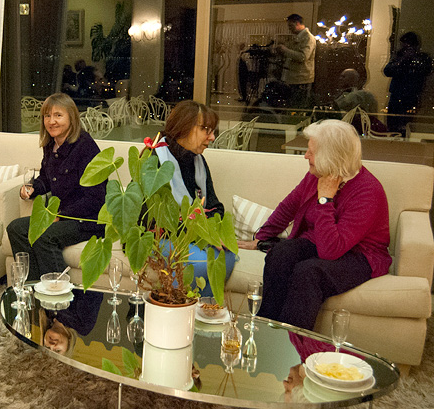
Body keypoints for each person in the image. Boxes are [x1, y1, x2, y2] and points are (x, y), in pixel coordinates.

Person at [238, 120, 391, 331]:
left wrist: (325, 199)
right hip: (320, 242)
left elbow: (331, 250)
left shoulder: (367, 192)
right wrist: (261, 238)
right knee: (280, 253)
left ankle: (292, 342)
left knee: (308, 272)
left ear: (331, 157)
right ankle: (265, 330)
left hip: (359, 255)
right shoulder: (317, 175)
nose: (305, 156)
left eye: (311, 152)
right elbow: (289, 206)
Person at [7, 92, 106, 280]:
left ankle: (58, 291)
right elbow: (46, 177)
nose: (51, 121)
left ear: (71, 117)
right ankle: (32, 286)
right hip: (60, 215)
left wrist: (60, 215)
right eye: (47, 116)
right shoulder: (50, 145)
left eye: (58, 115)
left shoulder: (85, 146)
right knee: (15, 228)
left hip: (86, 220)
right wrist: (33, 188)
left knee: (45, 236)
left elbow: (95, 198)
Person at [153, 100, 237, 297]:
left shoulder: (197, 160)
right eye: (206, 130)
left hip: (192, 234)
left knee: (227, 256)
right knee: (200, 263)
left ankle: (203, 311)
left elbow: (215, 206)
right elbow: (151, 219)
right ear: (185, 127)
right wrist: (202, 234)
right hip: (159, 236)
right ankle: (178, 307)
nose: (212, 137)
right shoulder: (155, 159)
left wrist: (213, 233)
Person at [383, 31, 433, 136]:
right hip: (396, 97)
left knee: (407, 125)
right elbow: (387, 71)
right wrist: (402, 60)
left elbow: (427, 70)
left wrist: (415, 59)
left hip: (412, 97)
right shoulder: (399, 57)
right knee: (392, 125)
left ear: (416, 47)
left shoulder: (422, 58)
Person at [275, 14, 316, 109]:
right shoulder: (298, 37)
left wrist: (285, 50)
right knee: (291, 106)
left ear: (297, 23)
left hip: (301, 80)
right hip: (294, 78)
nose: (289, 29)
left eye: (291, 26)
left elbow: (303, 57)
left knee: (297, 107)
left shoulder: (308, 38)